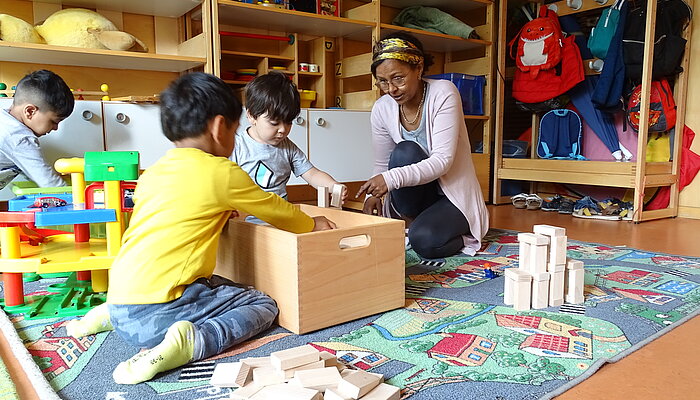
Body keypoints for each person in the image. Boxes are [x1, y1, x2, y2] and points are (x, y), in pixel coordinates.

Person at [65, 72, 336, 385]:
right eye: (235, 130)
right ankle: (192, 341)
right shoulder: (222, 172)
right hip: (159, 316)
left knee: (219, 283)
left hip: (122, 297)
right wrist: (311, 223)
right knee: (263, 304)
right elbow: (277, 210)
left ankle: (106, 315)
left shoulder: (154, 172)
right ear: (220, 128)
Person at [357, 32, 489, 259]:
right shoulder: (382, 108)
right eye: (383, 81)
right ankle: (417, 222)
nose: (391, 89)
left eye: (398, 78)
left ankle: (459, 231)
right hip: (417, 198)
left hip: (452, 196)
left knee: (424, 242)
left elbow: (442, 161)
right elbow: (382, 161)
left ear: (418, 69)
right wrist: (374, 197)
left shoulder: (444, 93)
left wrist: (389, 180)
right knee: (404, 151)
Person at [233, 72, 347, 208]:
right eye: (274, 123)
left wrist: (332, 185)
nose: (282, 129)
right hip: (246, 219)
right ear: (251, 116)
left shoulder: (287, 147)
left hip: (282, 216)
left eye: (288, 122)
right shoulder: (237, 146)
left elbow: (312, 174)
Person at [0, 69, 73, 189]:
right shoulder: (19, 138)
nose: (55, 128)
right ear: (30, 111)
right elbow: (50, 184)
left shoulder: (4, 121)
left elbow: (32, 168)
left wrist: (54, 175)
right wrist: (78, 200)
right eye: (54, 122)